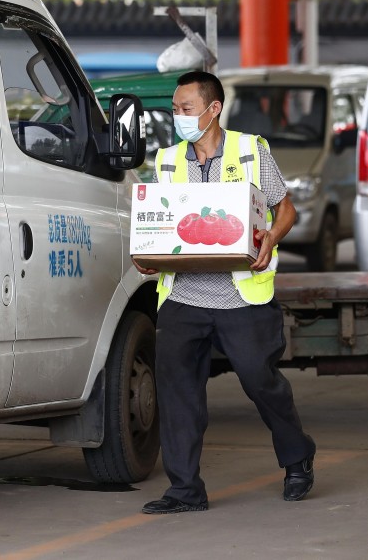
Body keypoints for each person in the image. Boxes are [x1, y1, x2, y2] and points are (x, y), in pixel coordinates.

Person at [133, 71, 316, 514]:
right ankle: (184, 490)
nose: (178, 117)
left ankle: (297, 456)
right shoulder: (167, 160)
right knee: (178, 394)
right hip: (183, 296)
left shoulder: (251, 151)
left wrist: (270, 238)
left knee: (261, 381)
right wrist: (147, 253)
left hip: (241, 297)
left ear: (213, 109)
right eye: (175, 110)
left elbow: (285, 209)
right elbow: (161, 221)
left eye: (186, 109)